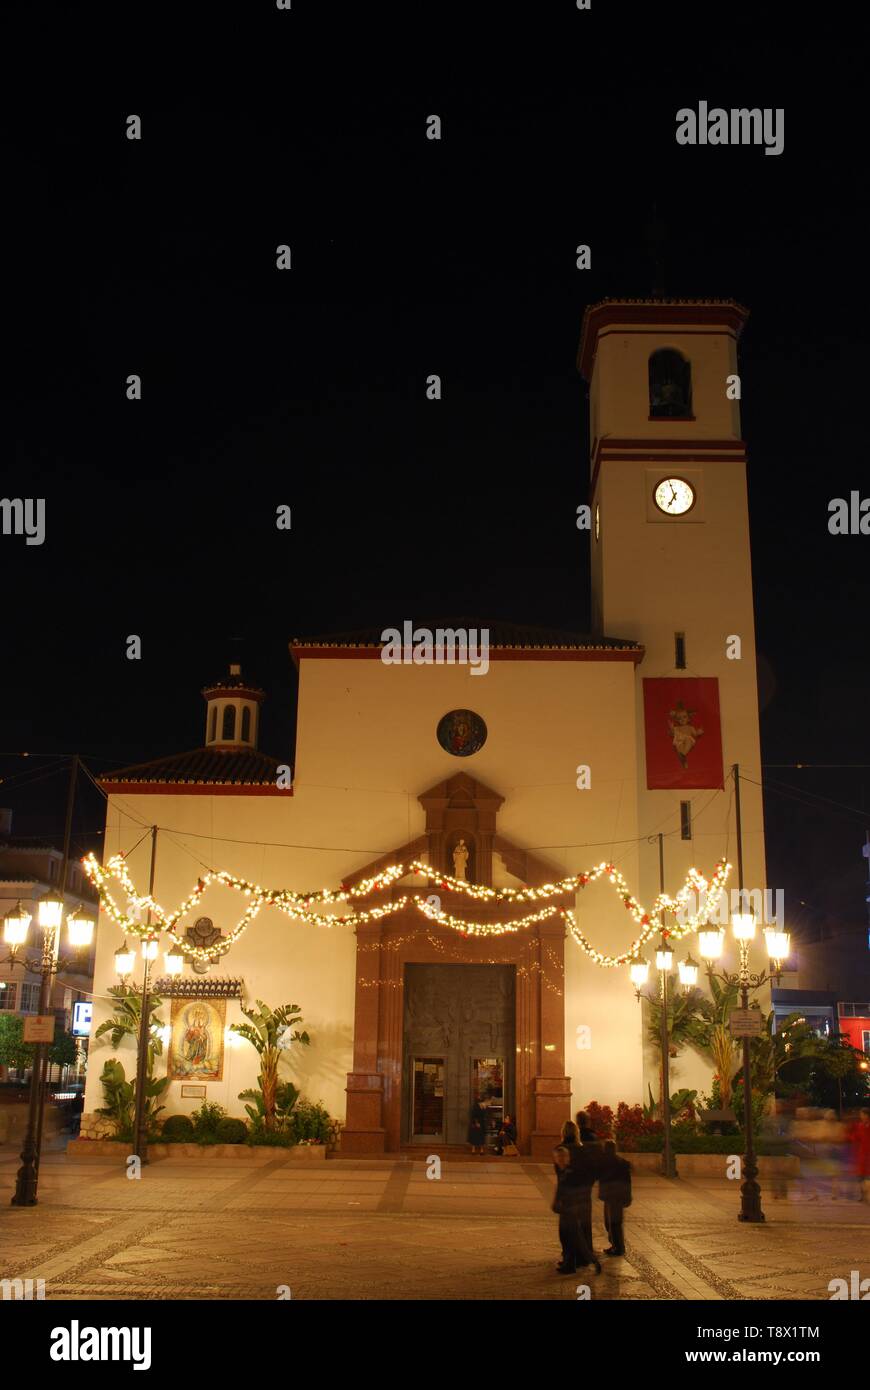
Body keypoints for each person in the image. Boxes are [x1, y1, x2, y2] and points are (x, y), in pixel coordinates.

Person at [552, 1121, 600, 1275]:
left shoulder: (560, 1150)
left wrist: (558, 1198)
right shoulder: (584, 1150)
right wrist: (586, 1187)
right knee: (583, 1228)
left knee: (566, 1231)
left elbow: (560, 1177)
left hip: (568, 1198)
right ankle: (584, 1258)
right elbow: (593, 1172)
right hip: (584, 1195)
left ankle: (569, 1260)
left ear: (563, 1132)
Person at [568, 1115, 605, 1256]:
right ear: (588, 1121)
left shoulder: (577, 1139)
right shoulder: (593, 1137)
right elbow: (599, 1160)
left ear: (578, 1122)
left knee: (574, 1217)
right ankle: (587, 1247)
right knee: (585, 1217)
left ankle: (578, 1248)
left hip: (576, 1182)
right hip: (587, 1182)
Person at [599, 1138, 632, 1256]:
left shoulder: (606, 1163)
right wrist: (628, 1196)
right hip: (615, 1197)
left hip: (613, 1197)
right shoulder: (621, 1162)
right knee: (612, 1223)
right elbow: (628, 1182)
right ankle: (615, 1245)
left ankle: (618, 1248)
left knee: (613, 1223)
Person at [847, 1109, 870, 1200]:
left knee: (867, 1175)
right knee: (860, 1176)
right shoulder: (860, 1126)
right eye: (861, 1115)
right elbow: (856, 1137)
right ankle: (863, 1194)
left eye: (863, 1115)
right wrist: (850, 1135)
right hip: (862, 1154)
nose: (861, 1117)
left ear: (867, 1115)